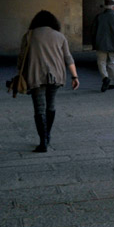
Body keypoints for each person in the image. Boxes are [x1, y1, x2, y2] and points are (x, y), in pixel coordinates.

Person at [20, 10, 79, 152]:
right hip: (56, 75)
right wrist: (74, 76)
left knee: (39, 108)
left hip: (35, 75)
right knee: (51, 105)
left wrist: (20, 74)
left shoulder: (29, 35)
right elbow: (68, 57)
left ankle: (43, 141)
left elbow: (22, 58)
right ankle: (48, 135)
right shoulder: (59, 36)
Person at [92, 0, 114, 92]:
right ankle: (111, 83)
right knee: (112, 63)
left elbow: (93, 32)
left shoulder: (99, 17)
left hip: (101, 44)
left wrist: (94, 43)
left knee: (101, 62)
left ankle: (105, 77)